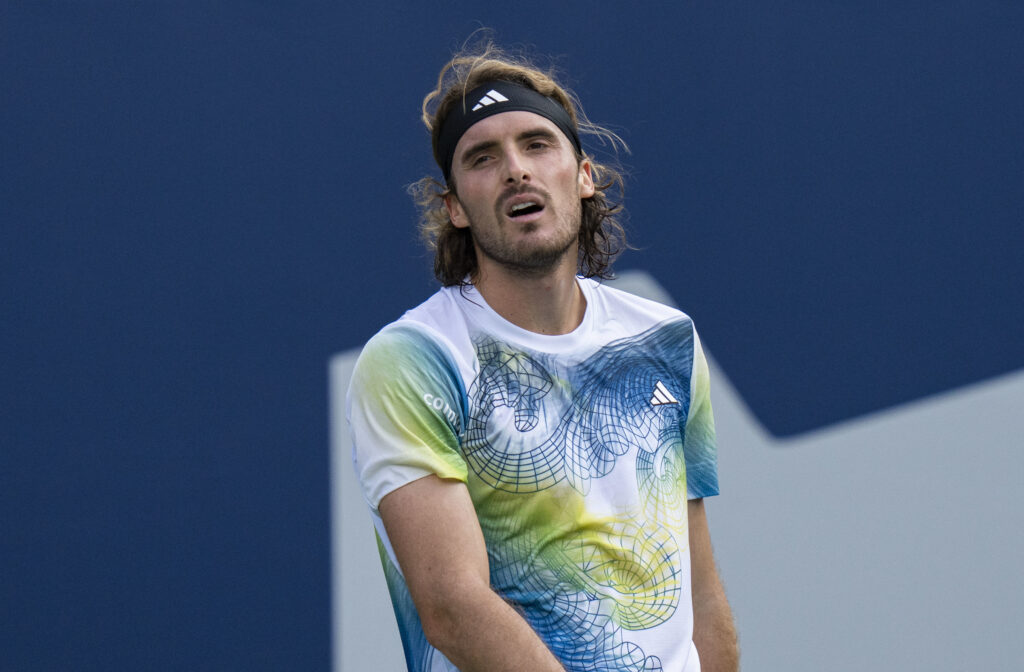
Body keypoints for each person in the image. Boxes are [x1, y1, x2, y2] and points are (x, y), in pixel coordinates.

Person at [347, 41, 738, 672]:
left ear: (583, 177)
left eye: (536, 144)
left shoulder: (667, 339)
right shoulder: (414, 359)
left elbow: (700, 588)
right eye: (482, 157)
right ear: (454, 208)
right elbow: (452, 605)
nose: (516, 171)